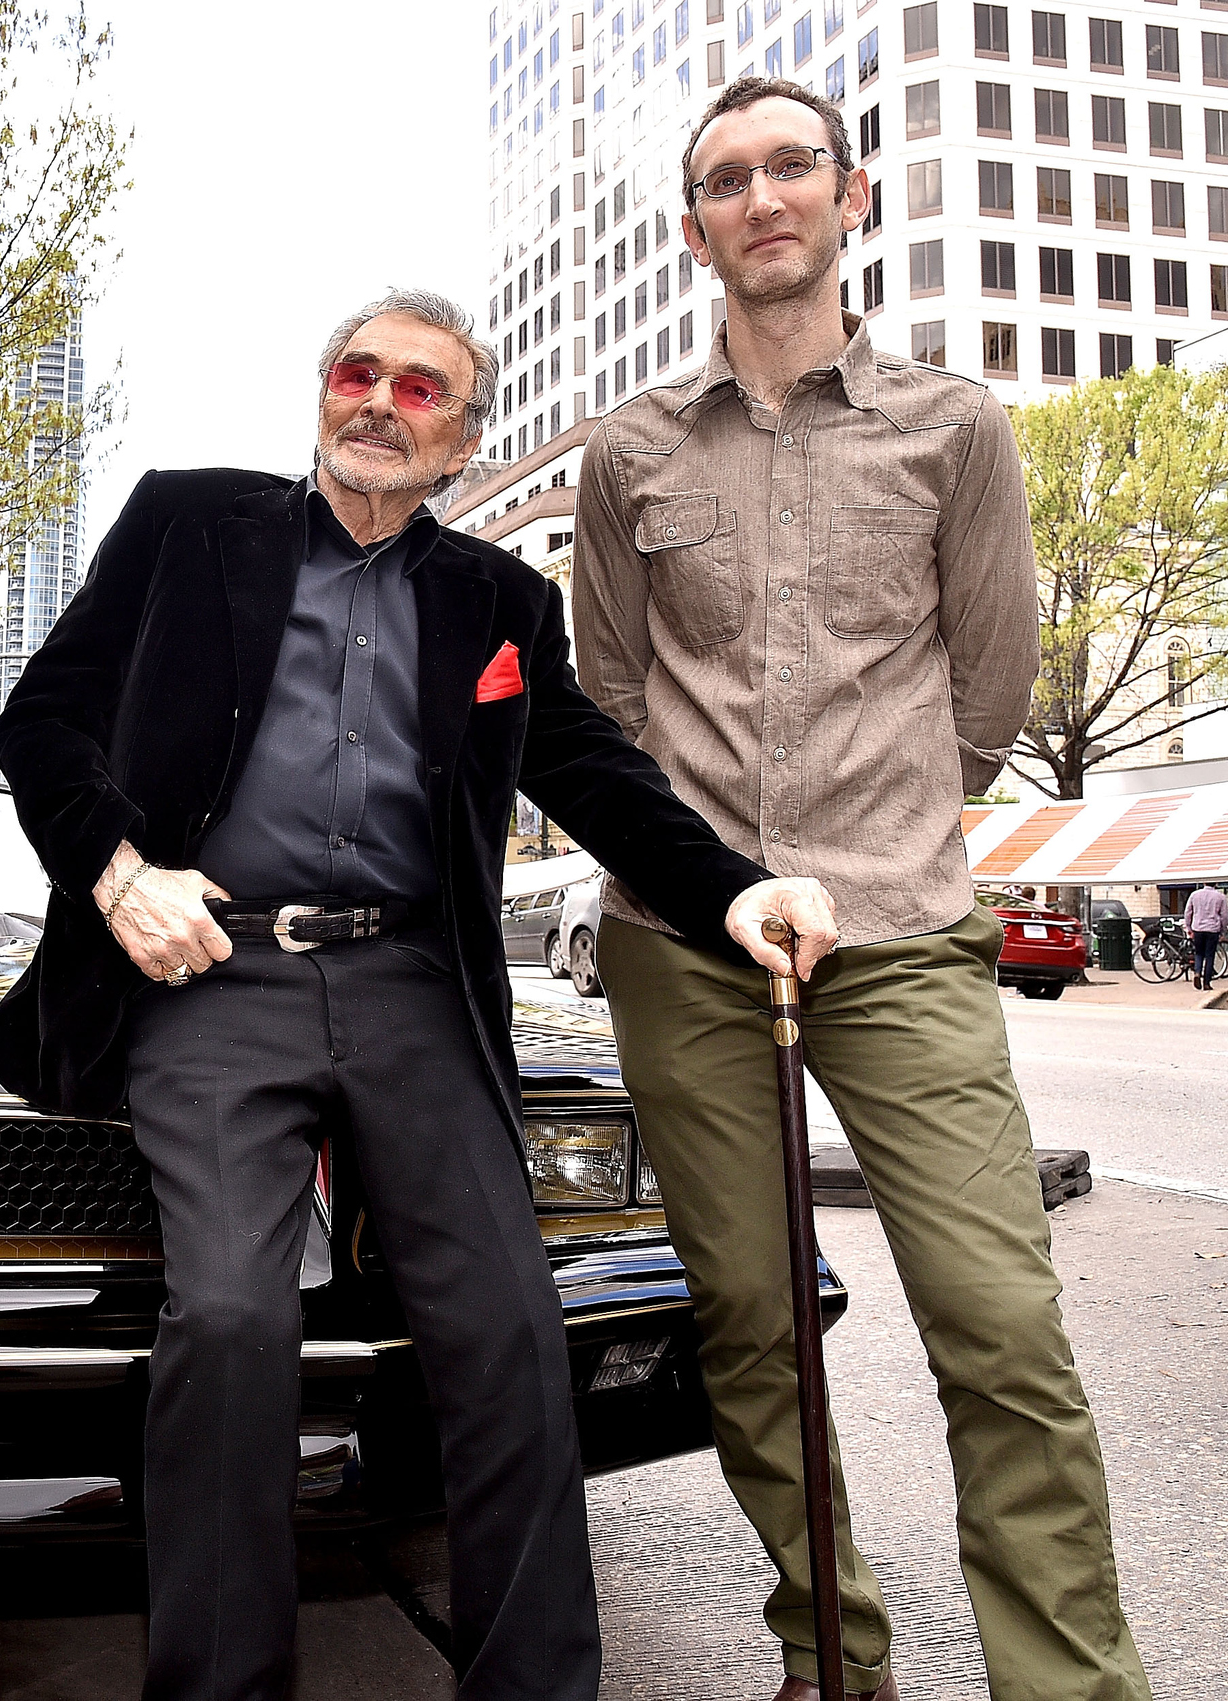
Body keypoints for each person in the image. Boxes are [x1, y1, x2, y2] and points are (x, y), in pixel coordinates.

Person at [0, 287, 839, 1701]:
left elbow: (596, 772)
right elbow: (43, 719)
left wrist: (735, 889)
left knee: (510, 1334)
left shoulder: (498, 601)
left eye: (419, 389)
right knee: (233, 1325)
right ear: (322, 394)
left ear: (459, 440)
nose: (378, 401)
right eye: (356, 373)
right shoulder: (189, 523)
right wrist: (122, 873)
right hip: (213, 974)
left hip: (414, 987)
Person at [571, 76, 1149, 1701]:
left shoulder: (951, 429)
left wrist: (873, 835)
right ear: (695, 230)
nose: (761, 197)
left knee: (998, 1326)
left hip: (897, 935)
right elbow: (604, 702)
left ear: (849, 196)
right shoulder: (626, 456)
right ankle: (832, 1656)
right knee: (750, 1331)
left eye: (789, 168)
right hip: (685, 949)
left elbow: (987, 687)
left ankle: (1070, 1684)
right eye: (725, 180)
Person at [1185, 881, 1224, 991]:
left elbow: (1188, 912)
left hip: (1198, 928)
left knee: (1199, 953)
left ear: (1204, 882)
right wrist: (1222, 930)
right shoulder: (1221, 897)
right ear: (1215, 883)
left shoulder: (1194, 895)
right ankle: (1207, 983)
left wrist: (1189, 928)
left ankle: (1197, 972)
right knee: (1210, 956)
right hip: (1213, 929)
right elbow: (1224, 915)